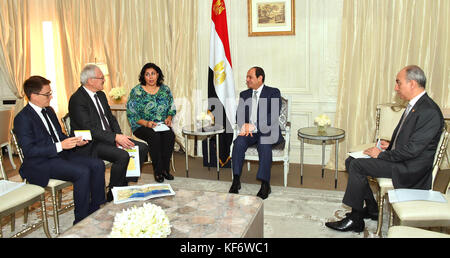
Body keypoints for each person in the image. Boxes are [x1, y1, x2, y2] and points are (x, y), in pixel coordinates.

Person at [325, 65, 444, 232]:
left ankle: (356, 218)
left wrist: (381, 154)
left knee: (358, 165)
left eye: (398, 83)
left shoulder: (428, 111)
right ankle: (373, 208)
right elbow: (410, 139)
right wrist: (391, 145)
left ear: (412, 84)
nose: (396, 88)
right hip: (404, 160)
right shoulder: (417, 105)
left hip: (410, 168)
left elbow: (413, 150)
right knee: (351, 160)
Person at [14, 76, 106, 224]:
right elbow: (29, 151)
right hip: (41, 162)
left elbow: (59, 135)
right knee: (82, 172)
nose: (51, 97)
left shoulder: (49, 111)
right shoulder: (22, 118)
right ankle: (81, 220)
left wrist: (75, 142)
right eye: (47, 94)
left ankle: (95, 208)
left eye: (51, 93)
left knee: (97, 164)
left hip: (60, 155)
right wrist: (60, 146)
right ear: (33, 96)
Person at [68, 64, 149, 202]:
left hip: (107, 137)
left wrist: (119, 136)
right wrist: (115, 137)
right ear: (90, 81)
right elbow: (89, 129)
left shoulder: (100, 94)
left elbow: (110, 118)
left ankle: (123, 184)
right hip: (90, 143)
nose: (103, 80)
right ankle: (113, 192)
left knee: (142, 148)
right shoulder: (77, 99)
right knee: (122, 155)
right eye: (101, 78)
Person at [229, 66, 284, 200]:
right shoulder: (244, 94)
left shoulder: (273, 92)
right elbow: (239, 117)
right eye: (246, 77)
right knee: (239, 142)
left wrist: (254, 126)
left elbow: (273, 116)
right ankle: (236, 180)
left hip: (267, 131)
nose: (247, 80)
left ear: (260, 78)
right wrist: (244, 126)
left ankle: (265, 184)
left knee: (264, 142)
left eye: (250, 77)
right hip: (250, 132)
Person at [127, 63, 176, 183]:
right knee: (154, 137)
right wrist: (147, 123)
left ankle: (165, 169)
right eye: (147, 74)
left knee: (170, 135)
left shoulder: (165, 90)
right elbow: (132, 114)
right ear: (143, 76)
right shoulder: (136, 91)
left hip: (161, 125)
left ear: (157, 74)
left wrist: (169, 117)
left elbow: (172, 107)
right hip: (141, 125)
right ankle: (158, 171)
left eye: (153, 74)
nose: (150, 77)